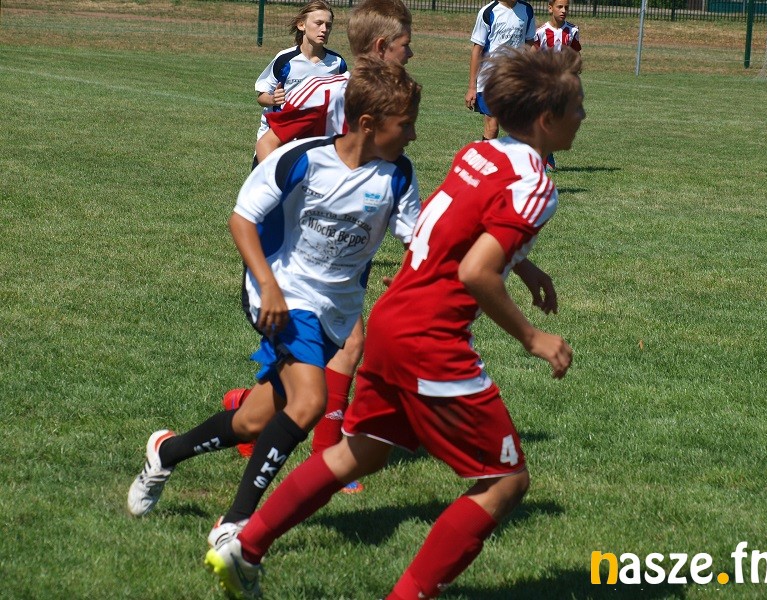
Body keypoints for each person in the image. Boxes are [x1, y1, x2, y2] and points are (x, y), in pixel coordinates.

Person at [206, 46, 584, 600]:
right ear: (547, 120)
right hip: (432, 339)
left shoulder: (479, 153)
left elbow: (451, 228)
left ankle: (246, 546)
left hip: (390, 320)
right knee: (504, 482)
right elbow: (476, 271)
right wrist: (533, 337)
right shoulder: (535, 185)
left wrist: (524, 266)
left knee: (361, 451)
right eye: (578, 107)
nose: (584, 117)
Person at [126, 56, 420, 547]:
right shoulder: (304, 159)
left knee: (253, 421)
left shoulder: (398, 176)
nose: (412, 135)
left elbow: (419, 241)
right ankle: (235, 523)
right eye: (405, 125)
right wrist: (269, 287)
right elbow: (241, 220)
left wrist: (431, 272)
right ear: (368, 124)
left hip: (335, 313)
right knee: (309, 402)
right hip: (281, 291)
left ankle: (166, 452)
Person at [222, 0, 414, 487]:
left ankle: (246, 409)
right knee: (349, 344)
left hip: (348, 239)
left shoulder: (389, 101)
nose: (410, 55)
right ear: (381, 47)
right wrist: (278, 204)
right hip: (301, 245)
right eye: (405, 46)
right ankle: (328, 459)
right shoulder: (328, 90)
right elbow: (271, 139)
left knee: (328, 351)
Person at [250, 1, 347, 170]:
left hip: (315, 144)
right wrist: (273, 99)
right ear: (302, 25)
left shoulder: (337, 64)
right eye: (318, 23)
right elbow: (261, 97)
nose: (324, 29)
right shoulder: (285, 59)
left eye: (328, 25)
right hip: (276, 140)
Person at [465, 0, 535, 141]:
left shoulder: (527, 10)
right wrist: (472, 87)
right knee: (492, 128)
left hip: (515, 78)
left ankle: (513, 154)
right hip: (490, 79)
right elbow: (477, 50)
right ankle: (485, 155)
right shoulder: (488, 12)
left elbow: (530, 43)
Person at [533, 0, 581, 172]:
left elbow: (575, 53)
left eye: (566, 7)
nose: (563, 10)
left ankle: (547, 154)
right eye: (559, 7)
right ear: (550, 8)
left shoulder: (573, 31)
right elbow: (532, 55)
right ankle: (542, 162)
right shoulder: (541, 32)